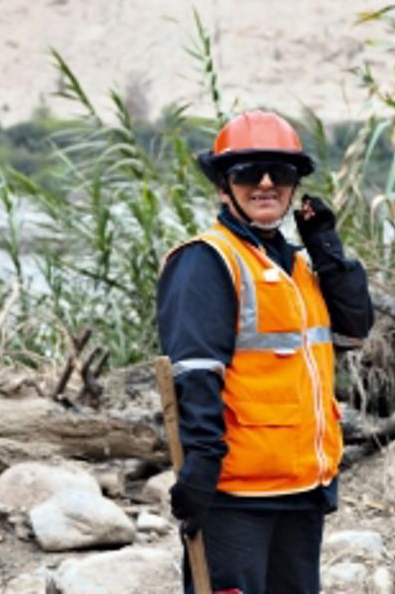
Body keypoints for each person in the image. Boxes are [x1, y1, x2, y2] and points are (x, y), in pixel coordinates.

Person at [157, 110, 374, 593]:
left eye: (282, 173)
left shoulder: (300, 265)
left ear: (295, 186)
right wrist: (202, 467)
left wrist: (328, 250)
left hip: (303, 487)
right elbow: (196, 373)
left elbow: (355, 331)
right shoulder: (207, 260)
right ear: (222, 186)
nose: (267, 183)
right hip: (237, 496)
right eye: (250, 172)